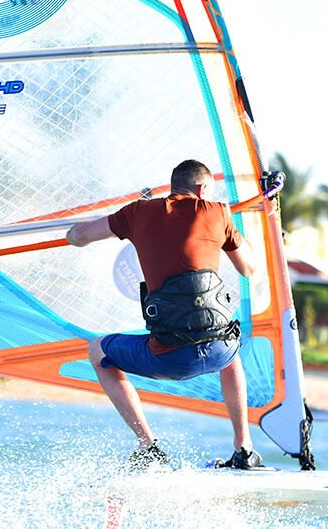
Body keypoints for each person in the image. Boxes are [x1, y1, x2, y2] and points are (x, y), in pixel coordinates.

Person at [67, 159, 263, 471]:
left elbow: (79, 236)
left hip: (170, 358)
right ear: (202, 190)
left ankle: (147, 445)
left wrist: (73, 231)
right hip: (217, 351)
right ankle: (244, 448)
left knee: (97, 350)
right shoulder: (218, 212)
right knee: (229, 345)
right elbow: (248, 268)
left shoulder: (137, 213)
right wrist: (227, 222)